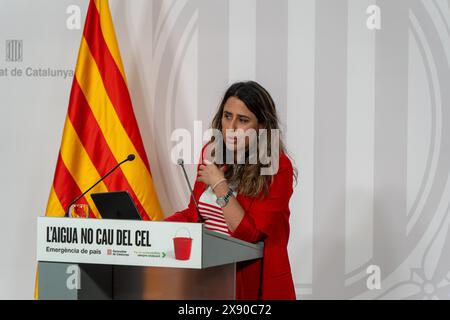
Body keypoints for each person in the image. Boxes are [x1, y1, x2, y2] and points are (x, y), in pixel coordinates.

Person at [164, 81, 298, 300]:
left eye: (243, 120)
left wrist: (219, 184)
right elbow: (194, 215)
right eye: (227, 116)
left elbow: (250, 235)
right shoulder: (212, 154)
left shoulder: (277, 167)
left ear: (261, 127)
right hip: (205, 280)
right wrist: (152, 230)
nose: (231, 127)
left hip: (250, 285)